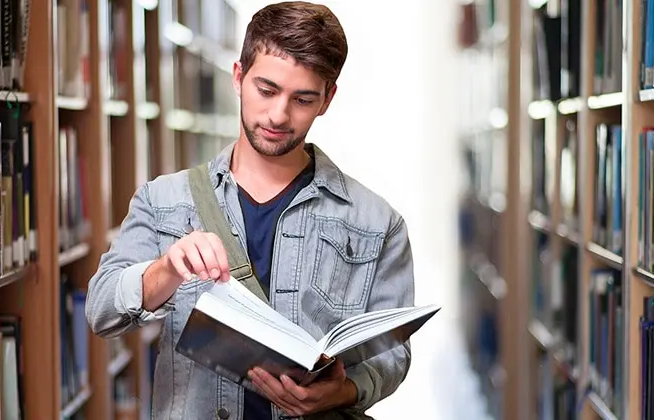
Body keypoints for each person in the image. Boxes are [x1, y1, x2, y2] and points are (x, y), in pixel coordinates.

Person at [85, 1, 415, 419]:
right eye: (267, 90)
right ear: (238, 77)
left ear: (327, 99)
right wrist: (165, 269)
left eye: (303, 99)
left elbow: (393, 355)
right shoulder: (163, 199)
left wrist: (343, 391)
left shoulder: (378, 223)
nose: (279, 114)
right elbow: (101, 311)